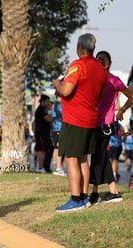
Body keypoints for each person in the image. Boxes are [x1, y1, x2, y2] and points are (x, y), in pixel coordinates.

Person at [52, 33, 107, 213]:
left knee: (71, 158)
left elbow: (66, 91)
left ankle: (76, 199)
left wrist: (57, 85)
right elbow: (99, 94)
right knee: (84, 159)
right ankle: (84, 198)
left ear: (79, 48)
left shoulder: (77, 66)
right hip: (91, 120)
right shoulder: (100, 69)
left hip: (74, 120)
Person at [89, 51, 132, 204]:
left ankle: (98, 193)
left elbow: (131, 96)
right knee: (101, 157)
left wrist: (121, 110)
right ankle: (112, 191)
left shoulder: (113, 80)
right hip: (94, 124)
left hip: (105, 125)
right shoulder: (94, 79)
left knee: (98, 157)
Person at [34, 94, 53, 173]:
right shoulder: (41, 109)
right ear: (43, 101)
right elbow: (49, 119)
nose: (49, 103)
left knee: (44, 149)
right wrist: (52, 112)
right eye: (47, 101)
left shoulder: (44, 110)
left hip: (45, 133)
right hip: (41, 133)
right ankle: (41, 167)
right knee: (42, 150)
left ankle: (42, 167)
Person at [51, 93, 66, 176]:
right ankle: (59, 168)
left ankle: (58, 167)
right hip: (59, 129)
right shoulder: (59, 106)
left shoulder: (55, 105)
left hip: (56, 129)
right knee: (61, 148)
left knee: (57, 148)